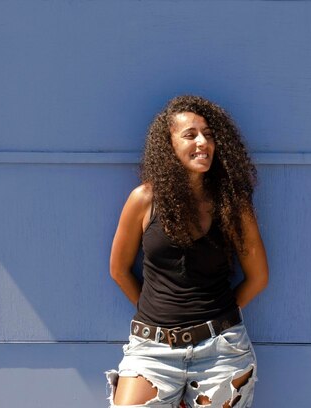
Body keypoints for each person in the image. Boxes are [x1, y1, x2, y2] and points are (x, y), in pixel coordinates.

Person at [106, 95, 269, 408]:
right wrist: (157, 310)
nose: (202, 142)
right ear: (169, 144)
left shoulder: (233, 205)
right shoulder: (143, 200)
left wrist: (216, 318)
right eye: (190, 134)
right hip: (152, 352)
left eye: (208, 135)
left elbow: (258, 277)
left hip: (221, 351)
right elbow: (118, 269)